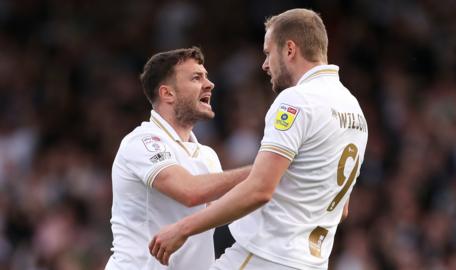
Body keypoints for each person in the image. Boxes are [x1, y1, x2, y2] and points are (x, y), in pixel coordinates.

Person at [149, 8, 369, 270]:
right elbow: (341, 210)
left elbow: (260, 189)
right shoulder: (354, 110)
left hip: (265, 257)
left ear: (289, 49)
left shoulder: (296, 101)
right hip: (311, 263)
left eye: (267, 53)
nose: (265, 64)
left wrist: (184, 228)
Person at [105, 47, 250, 270]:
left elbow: (221, 212)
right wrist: (263, 170)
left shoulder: (207, 155)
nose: (209, 84)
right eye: (196, 77)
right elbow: (190, 192)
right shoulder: (141, 141)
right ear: (167, 94)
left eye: (207, 76)